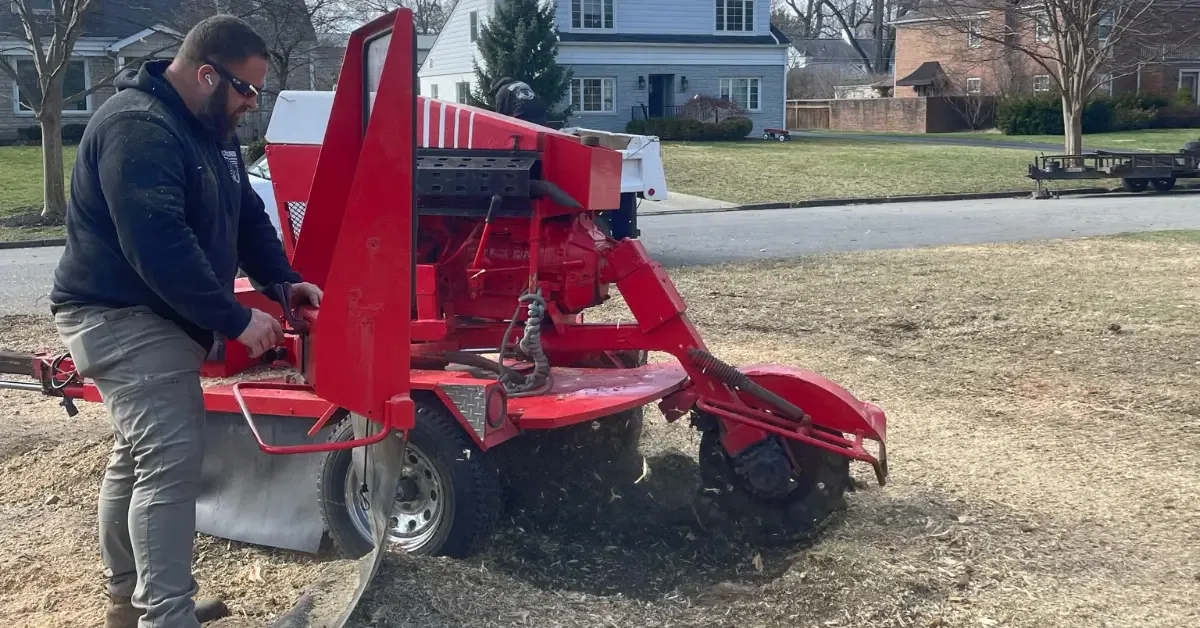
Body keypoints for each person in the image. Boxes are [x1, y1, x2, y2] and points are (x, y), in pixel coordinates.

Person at [48, 15, 322, 628]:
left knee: (137, 454)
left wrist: (280, 282)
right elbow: (158, 245)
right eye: (246, 89)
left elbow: (245, 212)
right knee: (170, 456)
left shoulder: (208, 129)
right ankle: (164, 615)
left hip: (151, 311)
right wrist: (232, 318)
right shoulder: (137, 128)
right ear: (206, 74)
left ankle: (131, 599)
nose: (251, 105)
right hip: (118, 313)